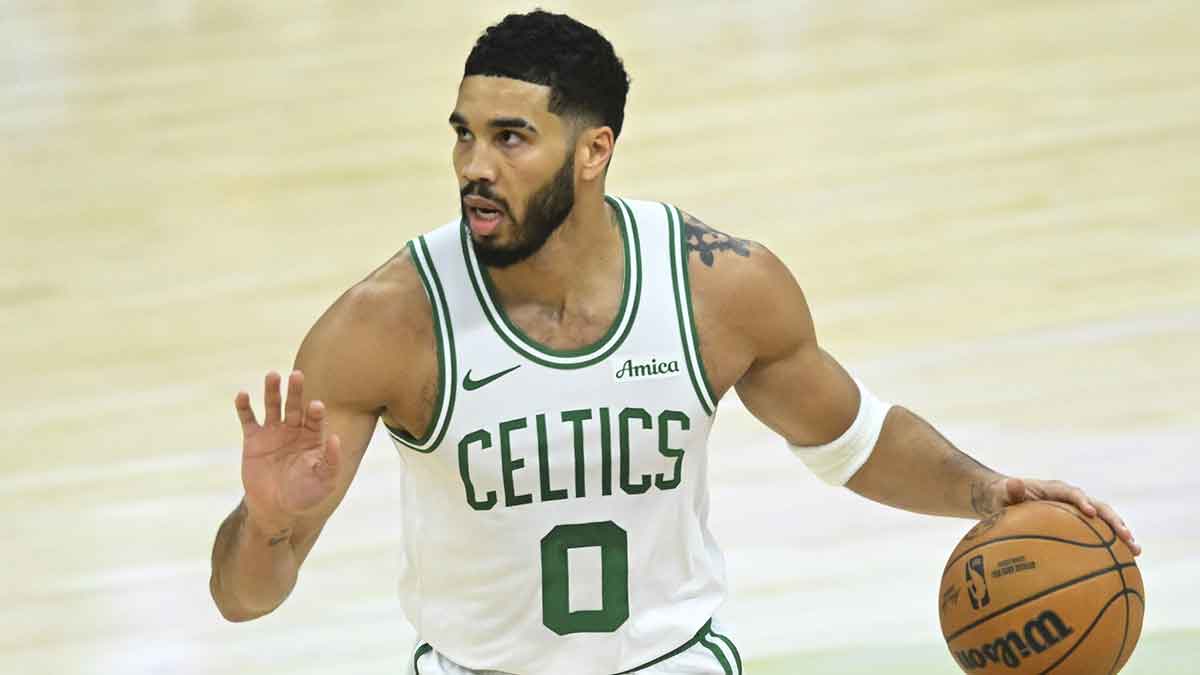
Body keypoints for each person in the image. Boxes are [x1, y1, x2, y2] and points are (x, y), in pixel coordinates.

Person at [208, 10, 1140, 675]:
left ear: (594, 149)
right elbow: (245, 597)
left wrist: (987, 491)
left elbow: (851, 442)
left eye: (510, 138)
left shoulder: (718, 284)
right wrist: (268, 519)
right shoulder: (387, 322)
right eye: (463, 136)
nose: (474, 167)